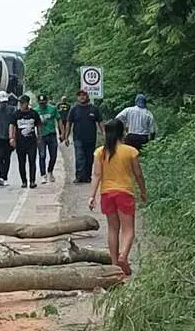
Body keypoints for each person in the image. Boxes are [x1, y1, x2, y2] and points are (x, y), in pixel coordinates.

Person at [88, 119, 147, 276]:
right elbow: (138, 174)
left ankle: (114, 265)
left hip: (107, 193)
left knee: (113, 229)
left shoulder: (100, 152)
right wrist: (143, 191)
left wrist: (92, 196)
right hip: (125, 193)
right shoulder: (130, 151)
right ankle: (123, 256)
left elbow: (97, 175)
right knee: (129, 230)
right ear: (123, 132)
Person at [64, 90, 104, 183]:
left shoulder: (94, 109)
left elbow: (100, 122)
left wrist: (104, 133)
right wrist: (66, 137)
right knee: (79, 157)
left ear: (87, 97)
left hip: (91, 138)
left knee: (89, 158)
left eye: (83, 95)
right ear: (77, 98)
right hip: (78, 138)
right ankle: (79, 176)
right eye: (79, 95)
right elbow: (69, 123)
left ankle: (87, 176)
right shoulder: (74, 109)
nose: (81, 97)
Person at [10, 94, 42, 188]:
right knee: (21, 162)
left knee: (32, 161)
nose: (21, 105)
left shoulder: (34, 113)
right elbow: (12, 126)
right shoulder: (16, 114)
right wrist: (12, 138)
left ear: (27, 103)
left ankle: (32, 181)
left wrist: (39, 137)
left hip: (31, 141)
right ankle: (24, 181)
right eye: (20, 103)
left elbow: (39, 125)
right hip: (20, 142)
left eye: (23, 103)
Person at [34, 94, 62, 184]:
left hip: (52, 134)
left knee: (53, 155)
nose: (42, 104)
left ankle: (50, 171)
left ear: (46, 101)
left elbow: (59, 119)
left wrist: (62, 132)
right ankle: (43, 175)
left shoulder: (52, 109)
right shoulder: (35, 111)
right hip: (41, 135)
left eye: (44, 102)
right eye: (40, 103)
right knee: (42, 155)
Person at [0, 91, 16, 186]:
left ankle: (4, 176)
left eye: (5, 102)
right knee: (0, 157)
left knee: (7, 157)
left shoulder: (12, 110)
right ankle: (1, 176)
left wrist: (14, 137)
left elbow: (14, 124)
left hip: (8, 137)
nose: (3, 104)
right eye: (2, 102)